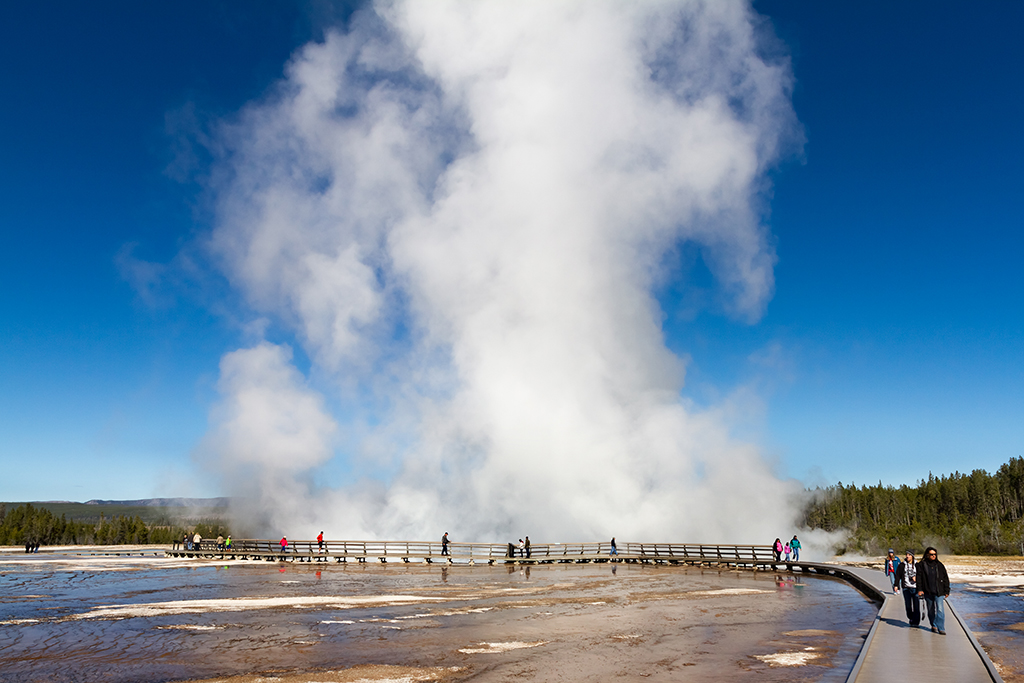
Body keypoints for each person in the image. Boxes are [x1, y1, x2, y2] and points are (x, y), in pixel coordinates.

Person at [917, 547, 950, 634]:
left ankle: (941, 628)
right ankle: (934, 625)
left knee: (940, 609)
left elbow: (945, 578)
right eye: (931, 554)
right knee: (931, 610)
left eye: (935, 554)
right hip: (928, 591)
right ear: (927, 555)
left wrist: (947, 590)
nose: (933, 556)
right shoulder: (922, 565)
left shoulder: (939, 565)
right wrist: (920, 589)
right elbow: (919, 578)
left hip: (939, 591)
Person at [894, 551, 920, 626]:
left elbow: (921, 576)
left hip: (915, 588)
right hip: (906, 588)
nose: (907, 556)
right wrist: (896, 585)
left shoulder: (917, 565)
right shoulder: (902, 565)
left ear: (912, 556)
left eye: (909, 555)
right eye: (906, 555)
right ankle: (911, 617)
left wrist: (917, 579)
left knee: (916, 606)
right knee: (908, 606)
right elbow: (898, 575)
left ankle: (916, 622)